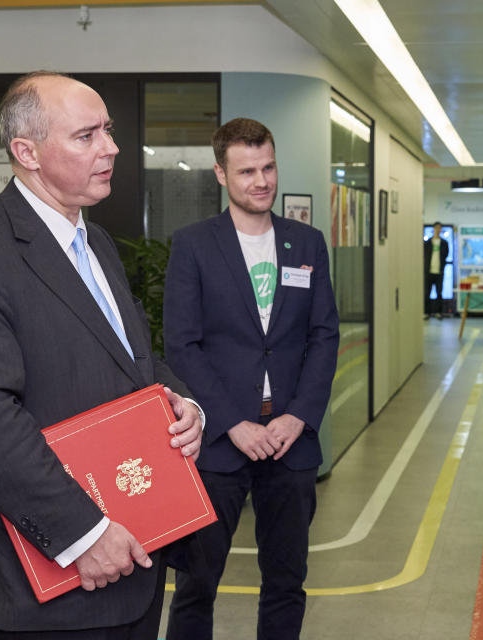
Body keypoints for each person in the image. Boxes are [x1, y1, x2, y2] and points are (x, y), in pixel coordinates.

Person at [0, 72, 204, 639]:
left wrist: (183, 405)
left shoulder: (96, 242)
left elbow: (133, 361)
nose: (111, 148)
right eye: (86, 136)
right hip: (50, 582)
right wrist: (83, 533)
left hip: (131, 560)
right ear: (25, 152)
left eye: (108, 130)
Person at [163, 117, 339, 640]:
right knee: (198, 582)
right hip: (219, 443)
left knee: (286, 580)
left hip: (289, 441)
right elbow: (182, 344)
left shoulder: (306, 244)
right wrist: (231, 423)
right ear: (220, 174)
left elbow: (324, 336)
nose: (261, 181)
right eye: (246, 172)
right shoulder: (194, 245)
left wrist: (298, 415)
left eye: (268, 167)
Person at [423, 221, 449, 318]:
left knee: (439, 292)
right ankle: (426, 312)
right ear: (433, 229)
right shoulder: (428, 243)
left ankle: (438, 312)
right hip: (428, 271)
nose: (438, 230)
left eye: (439, 228)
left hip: (439, 271)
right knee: (427, 292)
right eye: (436, 228)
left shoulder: (444, 243)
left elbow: (446, 255)